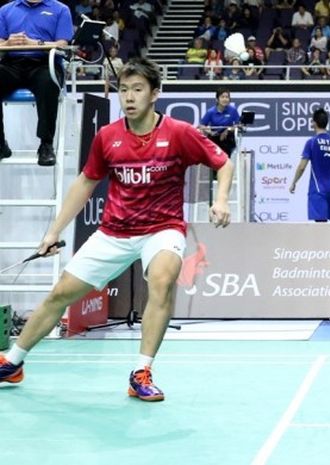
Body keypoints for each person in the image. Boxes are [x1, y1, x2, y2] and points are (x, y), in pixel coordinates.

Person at [0, 58, 234, 402]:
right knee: (60, 293)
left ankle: (142, 372)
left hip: (162, 228)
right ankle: (13, 363)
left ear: (155, 93)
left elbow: (223, 163)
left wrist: (222, 199)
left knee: (163, 278)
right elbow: (84, 183)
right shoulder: (107, 137)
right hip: (114, 232)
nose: (129, 97)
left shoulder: (180, 133)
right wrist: (53, 231)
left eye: (137, 89)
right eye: (124, 90)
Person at [0, 0, 74, 166]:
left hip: (45, 63)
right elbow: (0, 43)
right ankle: (0, 144)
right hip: (12, 63)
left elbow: (63, 45)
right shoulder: (5, 10)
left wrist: (35, 43)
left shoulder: (61, 9)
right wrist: (7, 43)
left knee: (48, 82)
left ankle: (46, 145)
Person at [289, 108, 330, 222]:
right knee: (328, 223)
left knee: (320, 226)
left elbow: (302, 167)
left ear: (314, 123)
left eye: (312, 121)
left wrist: (294, 182)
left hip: (318, 189)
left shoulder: (311, 142)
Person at [198, 87, 241, 157]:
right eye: (222, 97)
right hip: (214, 136)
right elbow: (201, 125)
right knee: (211, 145)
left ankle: (225, 163)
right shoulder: (211, 112)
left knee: (226, 145)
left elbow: (238, 125)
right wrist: (209, 131)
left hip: (227, 137)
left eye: (227, 97)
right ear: (217, 99)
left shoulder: (233, 110)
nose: (225, 99)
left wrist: (228, 130)